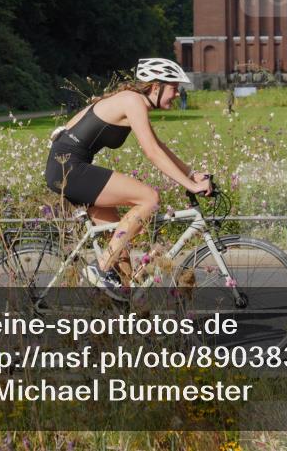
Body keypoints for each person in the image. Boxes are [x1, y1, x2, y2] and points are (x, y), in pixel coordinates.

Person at [45, 58, 214, 300]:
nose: (177, 94)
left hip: (67, 168)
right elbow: (152, 152)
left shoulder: (129, 100)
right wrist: (191, 186)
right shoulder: (132, 101)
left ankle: (122, 315)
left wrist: (190, 174)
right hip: (69, 170)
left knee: (122, 253)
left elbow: (159, 145)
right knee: (149, 198)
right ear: (156, 87)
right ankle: (100, 268)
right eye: (174, 88)